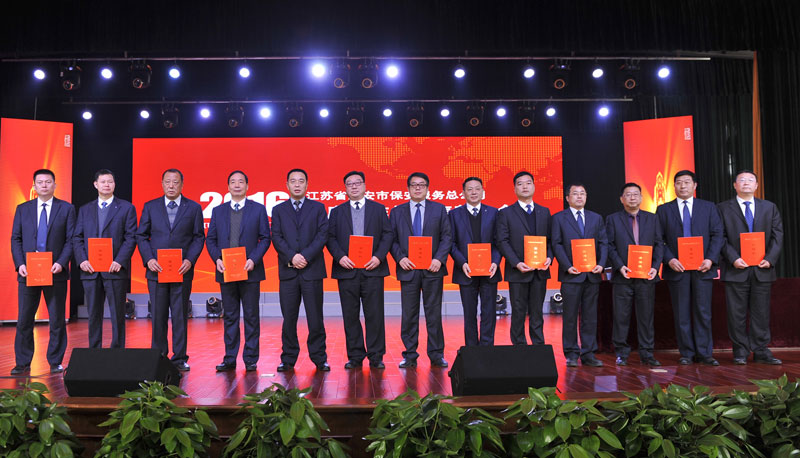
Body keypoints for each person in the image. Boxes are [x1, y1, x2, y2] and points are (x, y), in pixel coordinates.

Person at [136, 168, 205, 372]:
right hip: (156, 270)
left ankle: (180, 357)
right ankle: (158, 356)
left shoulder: (193, 208)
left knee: (179, 315)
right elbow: (141, 236)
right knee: (157, 315)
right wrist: (149, 259)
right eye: (168, 182)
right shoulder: (150, 207)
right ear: (162, 184)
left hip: (182, 271)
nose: (171, 186)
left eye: (175, 182)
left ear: (182, 184)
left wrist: (190, 260)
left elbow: (198, 237)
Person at [10, 169, 75, 375]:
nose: (44, 185)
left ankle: (55, 361)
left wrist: (61, 263)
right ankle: (22, 362)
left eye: (48, 182)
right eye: (40, 182)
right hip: (28, 272)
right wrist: (20, 264)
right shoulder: (23, 209)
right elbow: (16, 238)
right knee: (24, 319)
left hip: (55, 271)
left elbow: (71, 240)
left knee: (57, 320)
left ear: (55, 185)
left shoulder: (66, 209)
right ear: (34, 186)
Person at [655, 170, 724, 366]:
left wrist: (710, 259)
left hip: (703, 267)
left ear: (695, 186)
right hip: (677, 268)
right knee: (681, 313)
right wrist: (669, 259)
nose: (683, 186)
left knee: (703, 312)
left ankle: (705, 353)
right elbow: (658, 239)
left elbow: (718, 235)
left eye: (686, 182)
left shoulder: (709, 207)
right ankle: (686, 353)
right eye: (678, 182)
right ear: (674, 186)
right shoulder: (663, 210)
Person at [327, 171, 393, 369]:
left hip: (373, 269)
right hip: (347, 270)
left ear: (364, 186)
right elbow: (330, 237)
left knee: (375, 314)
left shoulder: (378, 209)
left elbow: (387, 235)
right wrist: (340, 257)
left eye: (357, 183)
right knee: (350, 315)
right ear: (345, 188)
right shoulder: (337, 212)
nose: (354, 186)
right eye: (350, 184)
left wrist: (378, 257)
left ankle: (376, 356)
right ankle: (355, 356)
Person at [206, 171, 271, 372]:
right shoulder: (218, 211)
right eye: (233, 182)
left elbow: (265, 238)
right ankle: (230, 358)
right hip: (226, 271)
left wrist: (253, 259)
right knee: (230, 317)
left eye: (240, 182)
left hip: (250, 270)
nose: (237, 185)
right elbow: (211, 239)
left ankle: (250, 359)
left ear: (247, 186)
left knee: (251, 316)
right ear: (228, 187)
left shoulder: (258, 209)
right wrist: (217, 259)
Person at [717, 170, 783, 365]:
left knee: (761, 313)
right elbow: (720, 237)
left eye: (750, 180)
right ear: (735, 185)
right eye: (742, 180)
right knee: (736, 314)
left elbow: (777, 235)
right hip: (736, 269)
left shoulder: (769, 207)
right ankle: (740, 351)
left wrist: (770, 259)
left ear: (756, 185)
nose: (746, 183)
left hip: (762, 268)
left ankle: (761, 350)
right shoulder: (722, 208)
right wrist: (733, 258)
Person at [390, 172, 452, 368]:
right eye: (414, 185)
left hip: (432, 269)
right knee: (409, 314)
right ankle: (410, 354)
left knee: (434, 313)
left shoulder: (439, 209)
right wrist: (400, 258)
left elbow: (447, 237)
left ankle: (436, 354)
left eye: (422, 185)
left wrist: (439, 259)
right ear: (408, 188)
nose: (418, 188)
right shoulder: (397, 212)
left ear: (427, 188)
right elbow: (391, 239)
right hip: (408, 268)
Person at [271, 169, 330, 372]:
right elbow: (276, 237)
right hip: (288, 272)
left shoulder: (318, 208)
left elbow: (322, 235)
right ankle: (288, 358)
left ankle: (319, 358)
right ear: (287, 185)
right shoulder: (278, 210)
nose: (297, 185)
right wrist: (292, 257)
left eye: (301, 181)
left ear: (307, 185)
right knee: (289, 319)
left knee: (315, 318)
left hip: (312, 270)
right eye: (293, 181)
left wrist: (305, 256)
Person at [73, 169, 138, 349]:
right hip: (90, 269)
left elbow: (131, 237)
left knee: (118, 314)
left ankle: (117, 352)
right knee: (94, 314)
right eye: (103, 182)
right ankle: (95, 352)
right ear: (96, 185)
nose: (107, 185)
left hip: (114, 269)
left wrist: (120, 261)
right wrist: (82, 260)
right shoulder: (85, 210)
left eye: (110, 181)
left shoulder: (126, 208)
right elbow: (77, 237)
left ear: (114, 184)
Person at [605, 183, 663, 366]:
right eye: (628, 194)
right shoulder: (612, 219)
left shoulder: (652, 218)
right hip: (623, 276)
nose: (632, 198)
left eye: (635, 194)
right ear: (621, 199)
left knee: (646, 316)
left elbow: (659, 244)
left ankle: (647, 353)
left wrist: (655, 267)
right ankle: (622, 353)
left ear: (641, 198)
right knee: (621, 316)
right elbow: (609, 245)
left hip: (646, 275)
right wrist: (619, 266)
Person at [551, 183, 608, 367]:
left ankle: (588, 353)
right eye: (575, 194)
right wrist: (567, 266)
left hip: (592, 274)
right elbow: (556, 244)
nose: (579, 197)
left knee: (590, 316)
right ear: (567, 198)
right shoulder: (558, 218)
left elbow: (603, 243)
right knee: (570, 316)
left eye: (582, 193)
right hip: (571, 275)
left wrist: (601, 264)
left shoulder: (596, 218)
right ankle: (571, 353)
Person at [496, 171, 552, 346]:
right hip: (518, 271)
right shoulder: (506, 213)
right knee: (518, 311)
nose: (525, 186)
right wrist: (516, 263)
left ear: (534, 186)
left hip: (540, 271)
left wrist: (549, 257)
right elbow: (502, 241)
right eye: (520, 184)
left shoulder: (544, 211)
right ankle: (519, 347)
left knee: (537, 312)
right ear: (514, 189)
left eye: (528, 183)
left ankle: (538, 347)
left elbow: (551, 240)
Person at [449, 177, 501, 346]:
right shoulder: (454, 214)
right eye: (469, 189)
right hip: (466, 271)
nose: (473, 192)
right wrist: (462, 262)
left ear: (482, 192)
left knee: (489, 313)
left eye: (477, 189)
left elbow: (499, 241)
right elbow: (451, 243)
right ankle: (471, 350)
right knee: (469, 313)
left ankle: (487, 349)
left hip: (489, 270)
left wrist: (495, 261)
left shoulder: (494, 213)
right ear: (463, 193)